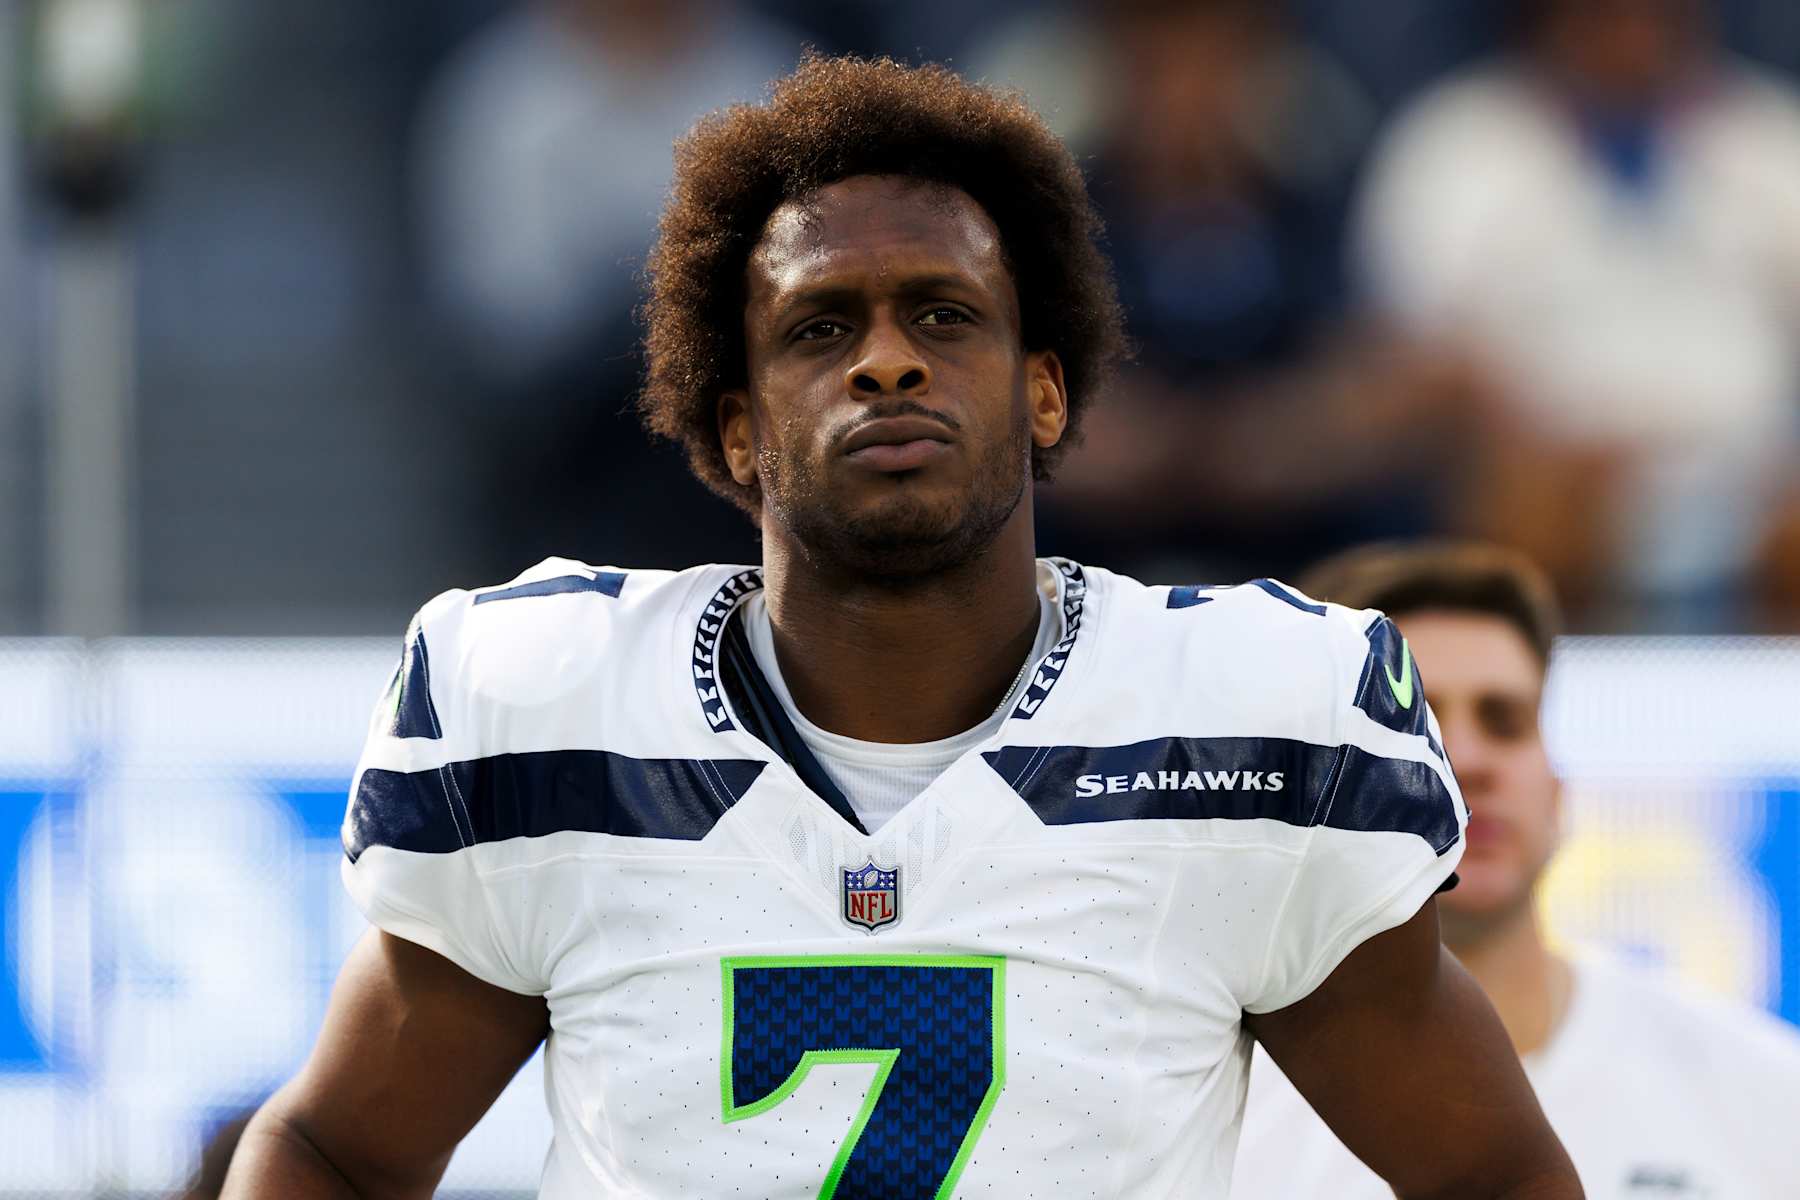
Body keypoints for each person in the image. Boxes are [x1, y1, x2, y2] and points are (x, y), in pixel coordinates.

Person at [221, 56, 1580, 1199]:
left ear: (1046, 396)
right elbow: (334, 1150)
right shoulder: (548, 709)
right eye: (821, 328)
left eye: (943, 314)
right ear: (736, 430)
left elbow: (1494, 1179)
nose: (887, 359)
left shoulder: (1237, 722)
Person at [1231, 540, 1800, 1199]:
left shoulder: (1766, 1093)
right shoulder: (1208, 1108)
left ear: (1558, 788)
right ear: (1306, 784)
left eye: (1506, 722)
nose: (1468, 759)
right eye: (1416, 721)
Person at [1351, 0, 1800, 625]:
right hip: (1552, 468)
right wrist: (1528, 435)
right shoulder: (1460, 144)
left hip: (1753, 481)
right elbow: (1412, 353)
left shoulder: (1770, 139)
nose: (1633, 36)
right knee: (1525, 516)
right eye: (1606, 17)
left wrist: (1773, 464)